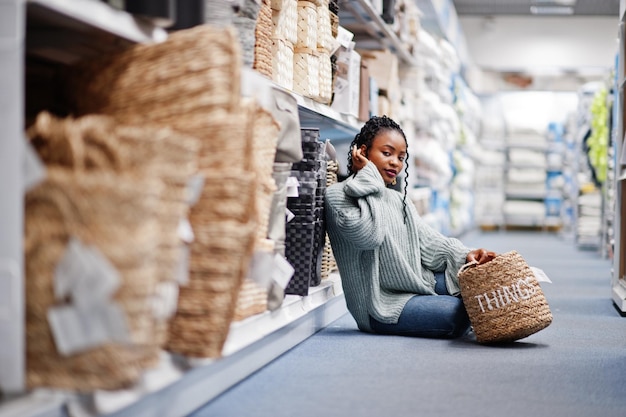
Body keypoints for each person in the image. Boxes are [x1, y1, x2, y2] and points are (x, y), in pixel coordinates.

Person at [324, 115, 496, 338]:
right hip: (379, 306)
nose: (395, 162)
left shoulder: (397, 200)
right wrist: (370, 180)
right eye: (387, 153)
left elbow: (428, 242)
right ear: (363, 153)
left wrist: (466, 254)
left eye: (401, 157)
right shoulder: (337, 196)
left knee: (479, 283)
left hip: (414, 282)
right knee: (456, 310)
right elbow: (369, 236)